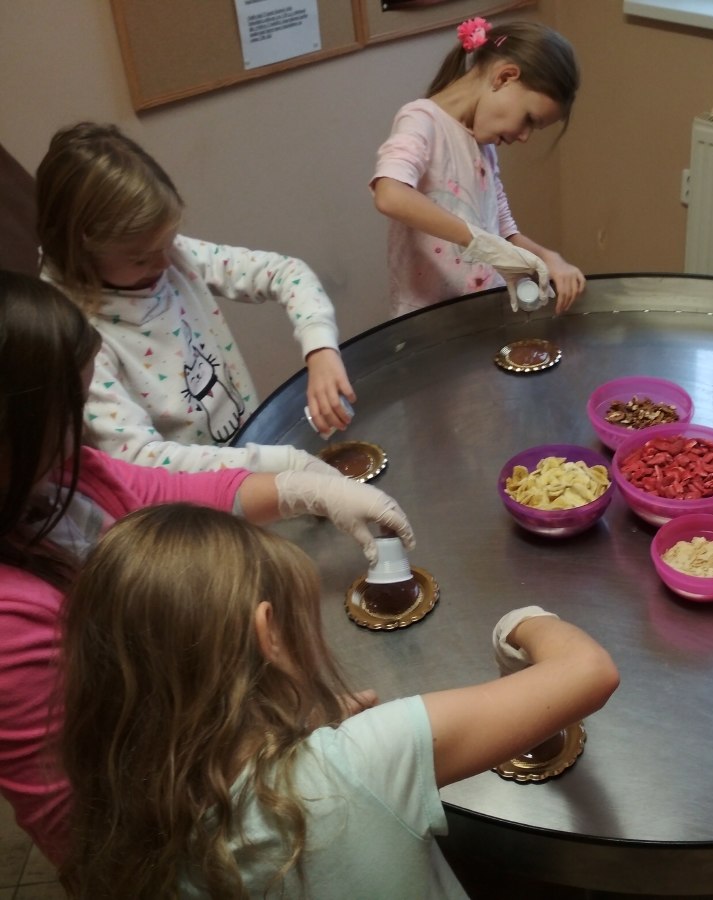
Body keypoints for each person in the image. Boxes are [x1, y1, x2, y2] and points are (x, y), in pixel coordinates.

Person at [0, 270, 414, 867]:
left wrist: (303, 488)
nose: (85, 427)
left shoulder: (64, 473)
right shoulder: (11, 633)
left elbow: (167, 492)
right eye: (68, 412)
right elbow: (87, 831)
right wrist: (273, 757)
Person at [59, 505, 619, 897]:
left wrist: (297, 737)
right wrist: (522, 622)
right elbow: (589, 672)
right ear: (267, 634)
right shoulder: (361, 762)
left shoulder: (119, 819)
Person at [36, 121, 356, 472]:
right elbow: (140, 457)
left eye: (168, 243)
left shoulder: (172, 256)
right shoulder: (75, 336)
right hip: (188, 501)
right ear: (82, 250)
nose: (165, 263)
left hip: (250, 461)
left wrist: (320, 349)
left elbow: (286, 273)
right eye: (141, 258)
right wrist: (281, 463)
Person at [371, 18, 586, 317]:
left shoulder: (483, 144)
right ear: (505, 77)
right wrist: (480, 242)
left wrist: (548, 258)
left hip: (481, 310)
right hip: (428, 320)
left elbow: (503, 231)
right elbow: (389, 194)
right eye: (528, 119)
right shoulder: (421, 121)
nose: (524, 137)